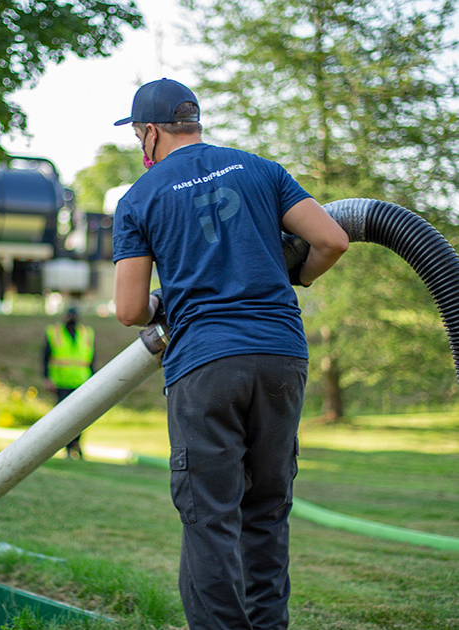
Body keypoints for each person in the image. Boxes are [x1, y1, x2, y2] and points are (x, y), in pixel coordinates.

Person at [112, 78, 349, 630]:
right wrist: (295, 276)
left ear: (149, 134)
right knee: (266, 513)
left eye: (136, 136)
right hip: (281, 356)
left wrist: (163, 303)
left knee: (209, 520)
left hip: (206, 364)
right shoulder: (261, 169)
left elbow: (127, 310)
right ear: (192, 123)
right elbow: (333, 240)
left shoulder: (139, 199)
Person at [43, 306, 95, 459]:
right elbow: (45, 357)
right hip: (61, 381)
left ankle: (76, 445)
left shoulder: (87, 333)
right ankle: (67, 447)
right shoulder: (54, 332)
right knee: (64, 417)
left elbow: (92, 358)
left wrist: (93, 379)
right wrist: (47, 378)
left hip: (81, 381)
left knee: (81, 417)